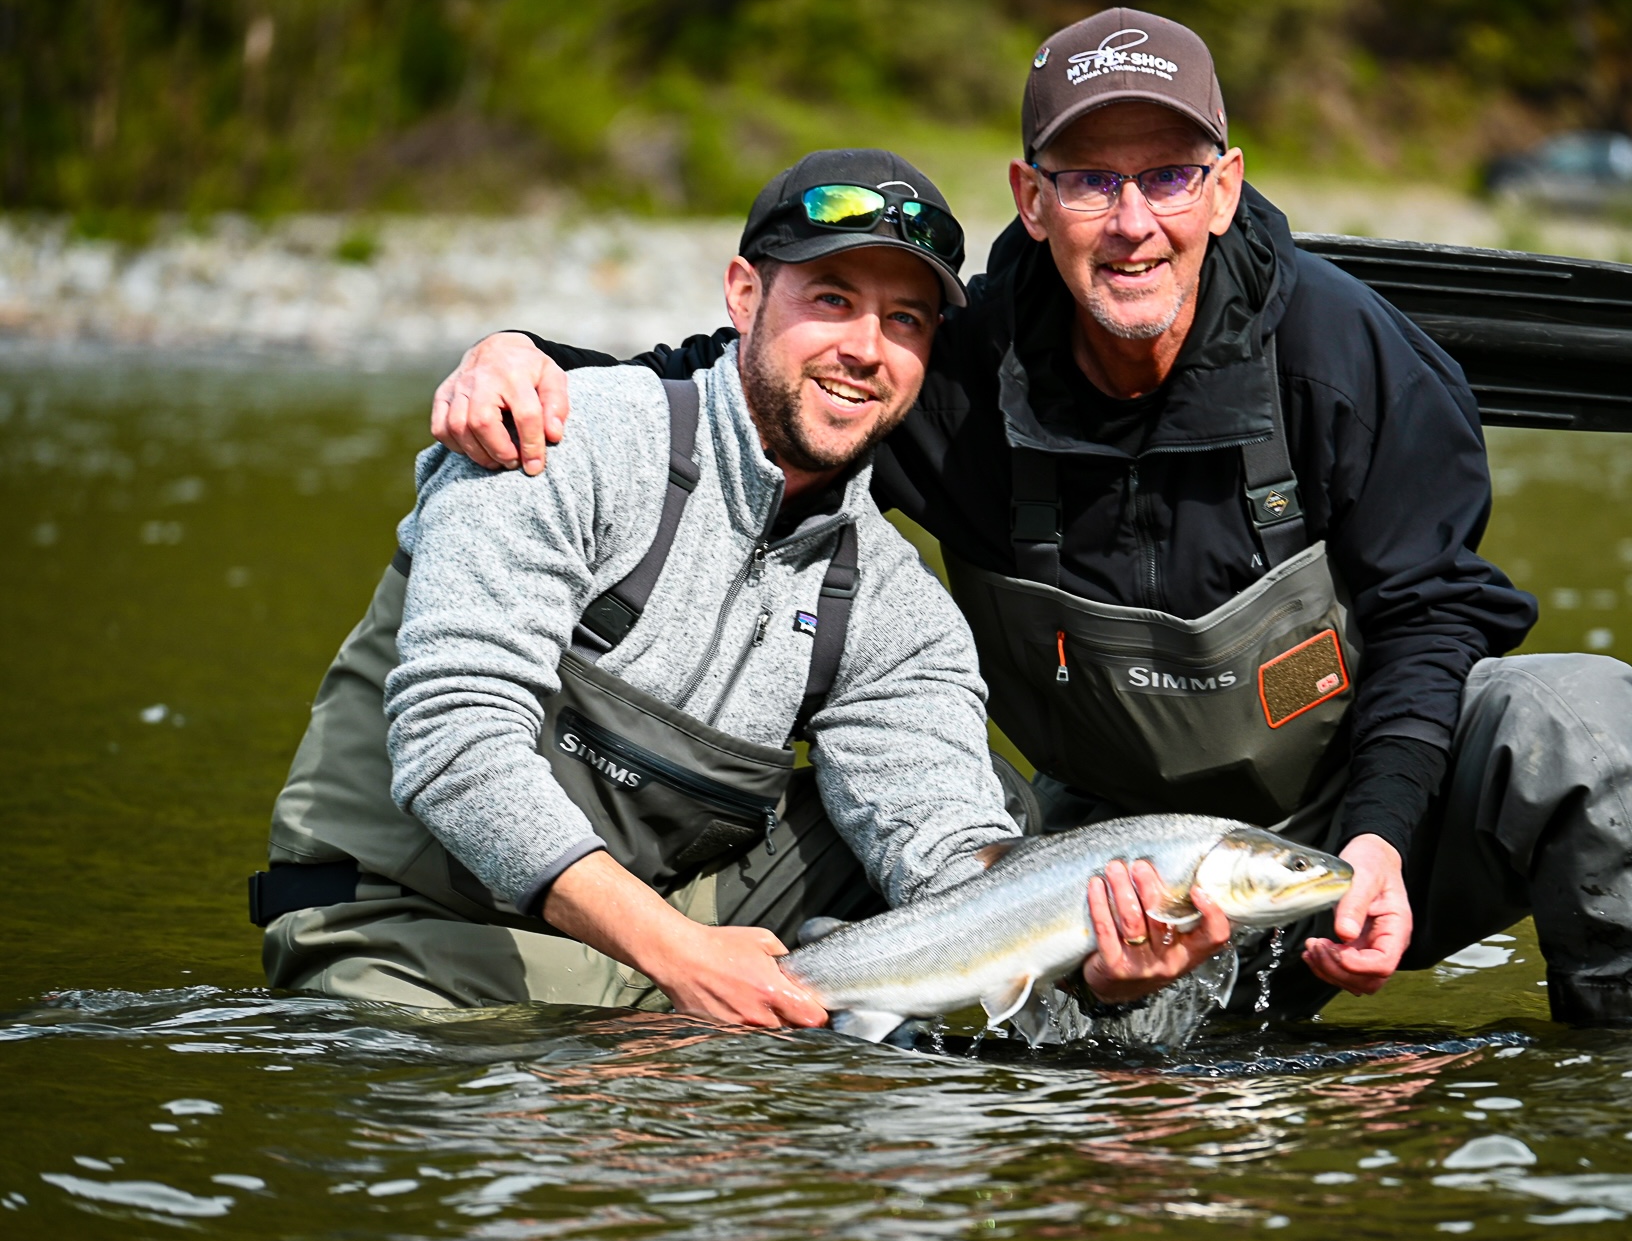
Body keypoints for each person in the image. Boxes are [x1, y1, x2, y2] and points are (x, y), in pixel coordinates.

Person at [431, 11, 1632, 1029]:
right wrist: (527, 357)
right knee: (1105, 1105)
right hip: (1106, 878)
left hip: (1366, 825)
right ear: (1030, 196)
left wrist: (1380, 839)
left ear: (1224, 187)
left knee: (1580, 717)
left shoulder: (1351, 358)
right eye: (1090, 180)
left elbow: (1434, 618)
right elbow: (764, 383)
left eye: (1167, 175)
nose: (1132, 222)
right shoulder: (950, 367)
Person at [252, 148, 1231, 1022]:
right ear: (742, 293)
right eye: (832, 299)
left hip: (642, 976)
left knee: (1007, 838)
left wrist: (1094, 966)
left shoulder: (895, 609)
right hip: (403, 941)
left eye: (904, 320)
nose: (866, 348)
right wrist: (680, 955)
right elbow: (452, 742)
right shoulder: (556, 438)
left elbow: (947, 860)